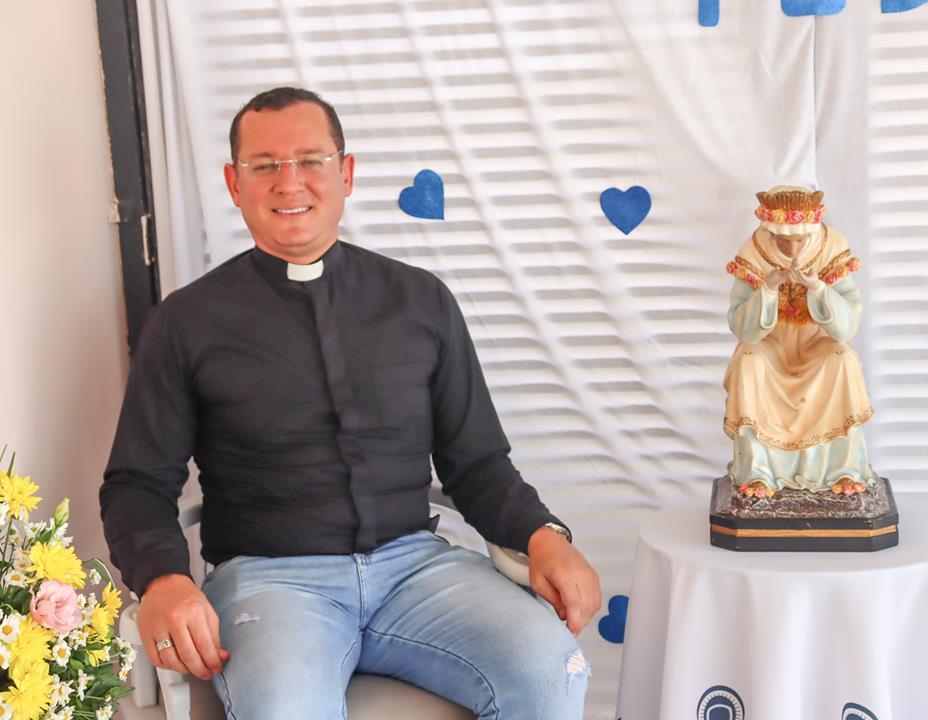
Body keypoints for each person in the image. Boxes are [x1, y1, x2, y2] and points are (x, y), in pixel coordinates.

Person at [100, 86, 600, 719]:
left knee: (550, 669)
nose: (290, 182)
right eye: (264, 165)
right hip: (270, 582)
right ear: (234, 183)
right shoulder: (184, 323)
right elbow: (137, 484)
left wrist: (544, 535)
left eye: (311, 160)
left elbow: (477, 463)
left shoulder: (420, 301)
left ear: (346, 173)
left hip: (418, 571)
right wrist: (163, 579)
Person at [722, 186, 877, 498]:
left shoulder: (831, 247)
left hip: (816, 342)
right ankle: (759, 470)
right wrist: (768, 290)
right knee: (749, 361)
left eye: (800, 240)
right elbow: (743, 328)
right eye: (784, 241)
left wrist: (817, 288)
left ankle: (841, 468)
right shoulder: (754, 252)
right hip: (771, 344)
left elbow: (846, 327)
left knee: (841, 359)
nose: (792, 250)